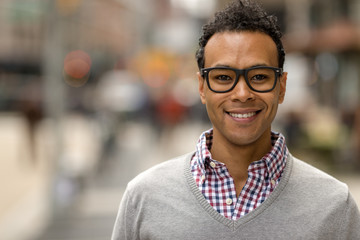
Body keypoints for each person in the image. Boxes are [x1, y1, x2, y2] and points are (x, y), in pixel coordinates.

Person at [111, 0, 360, 239]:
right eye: (223, 77)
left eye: (260, 76)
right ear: (201, 87)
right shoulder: (143, 197)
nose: (242, 94)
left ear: (281, 87)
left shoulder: (334, 205)